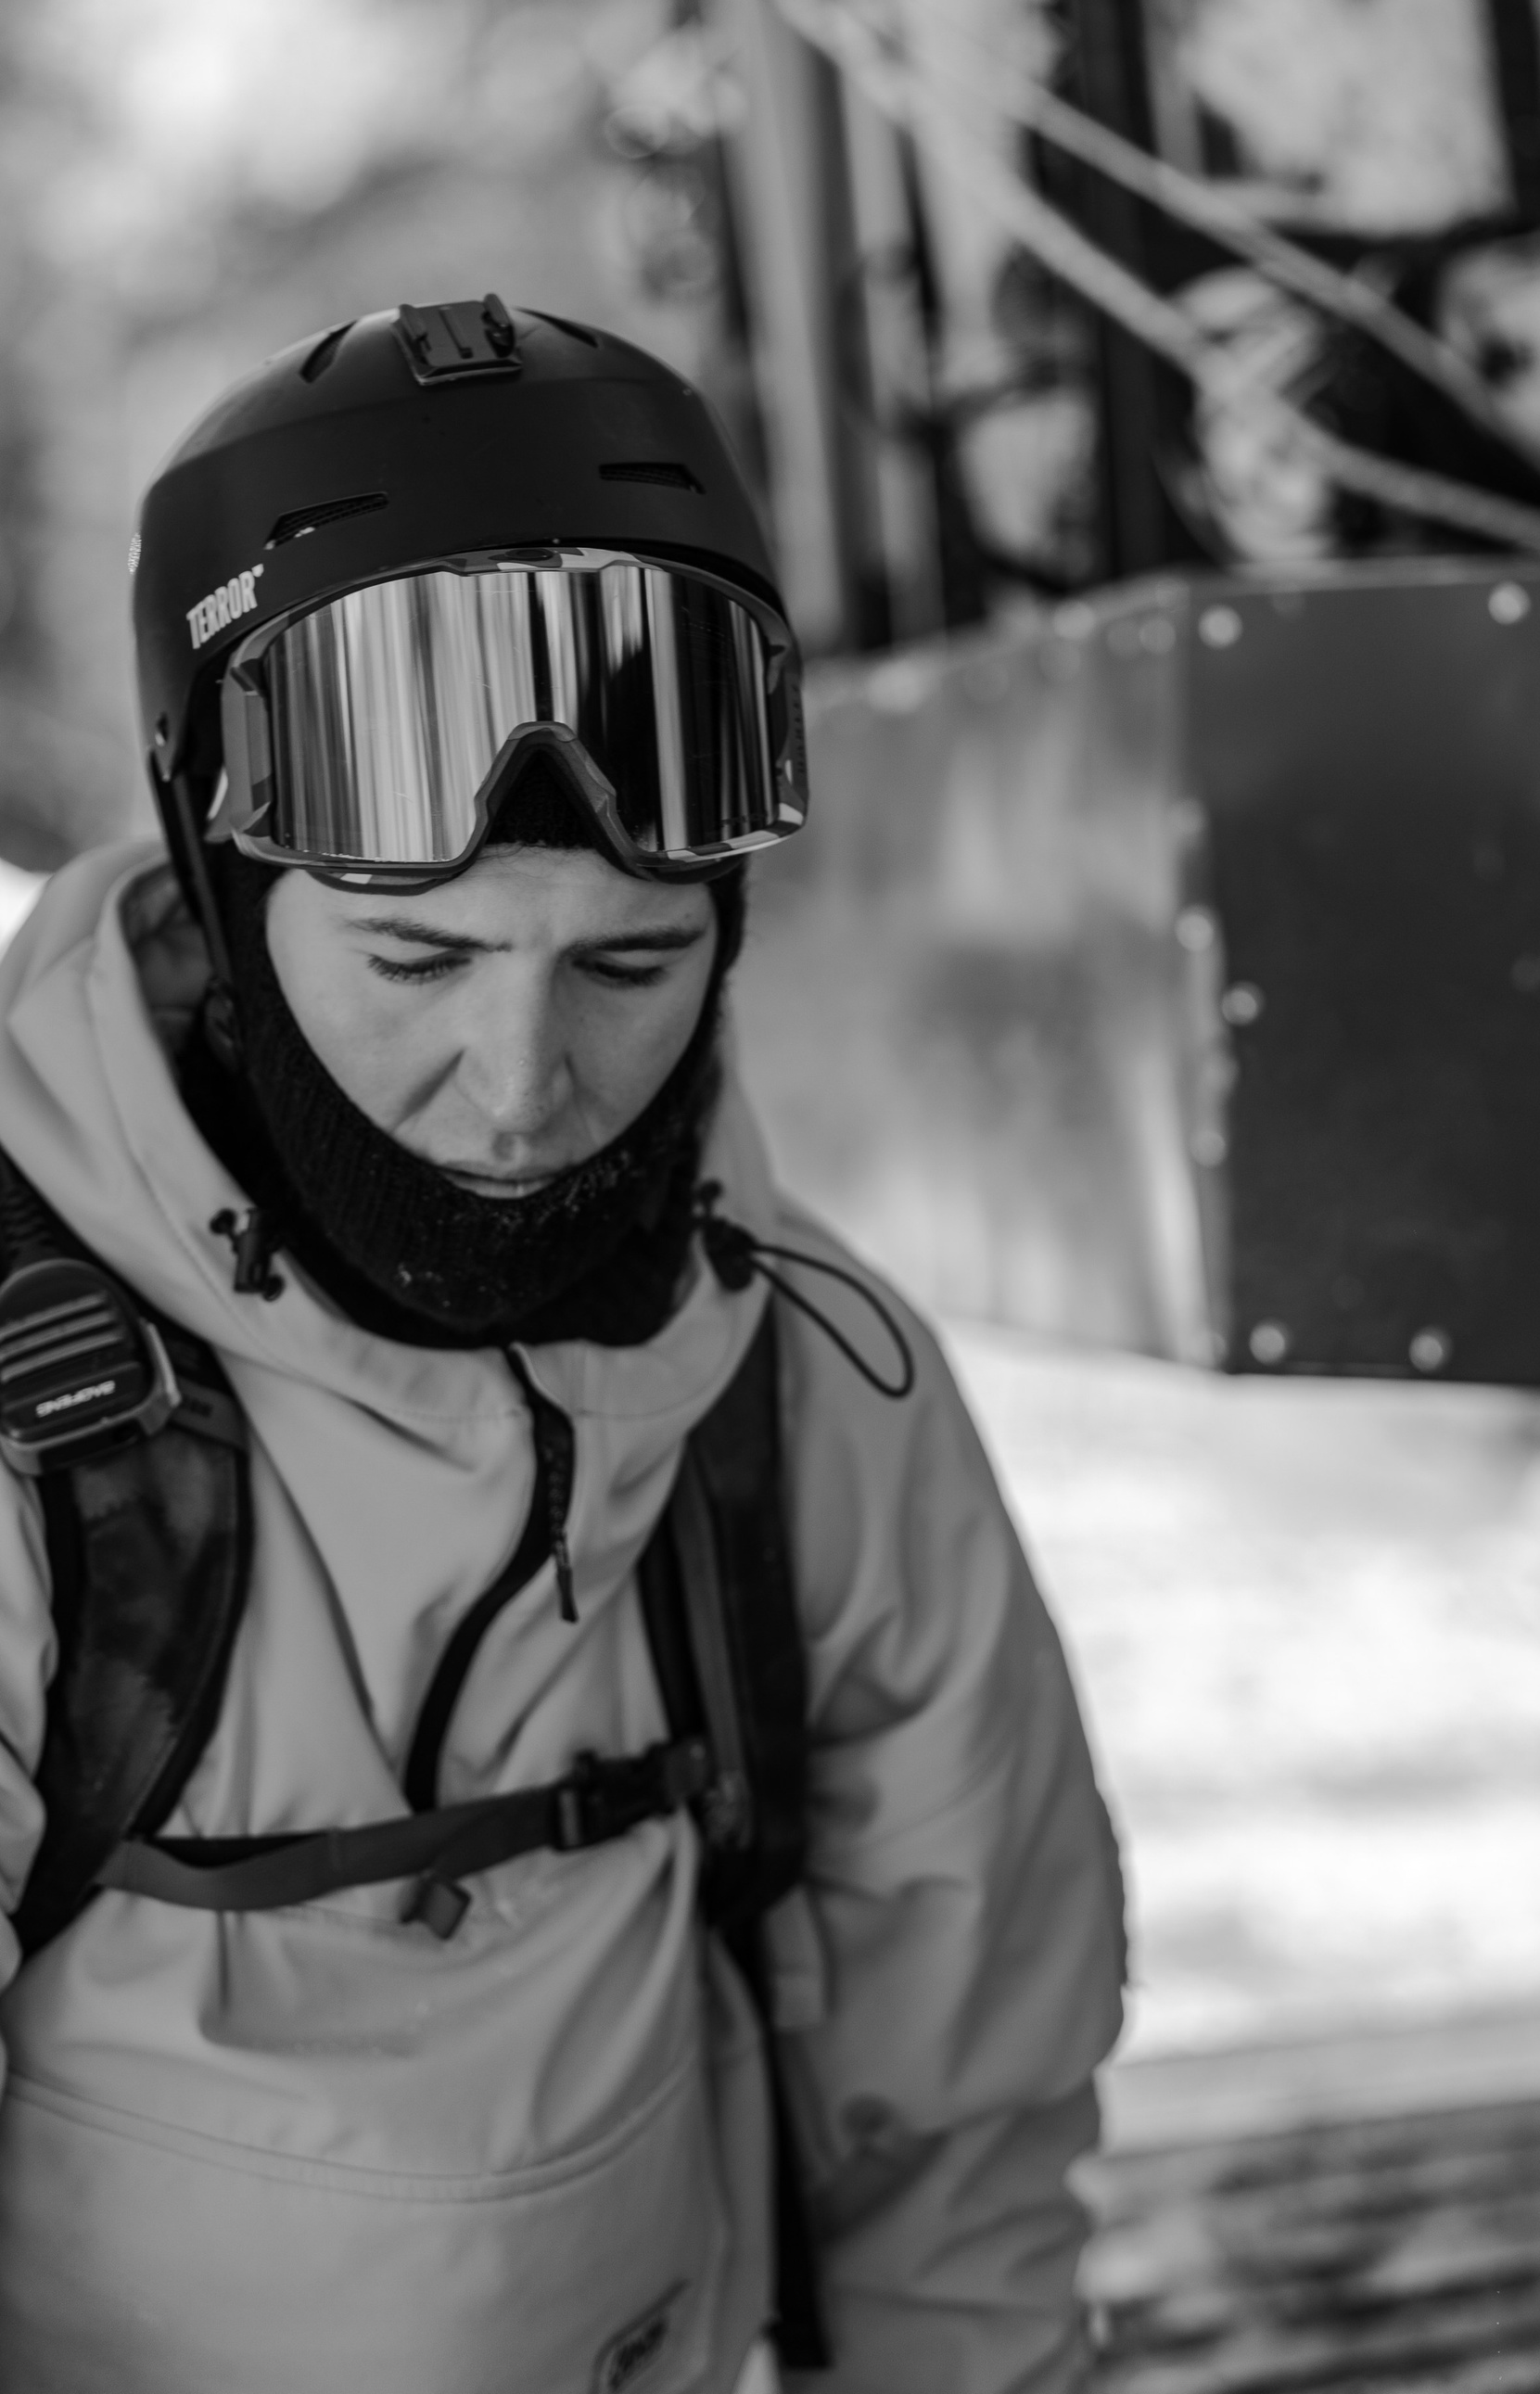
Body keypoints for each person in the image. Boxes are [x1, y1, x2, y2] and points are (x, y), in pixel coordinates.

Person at [0, 298, 1126, 2391]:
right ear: (224, 887)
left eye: (630, 962)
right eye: (419, 956)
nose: (523, 1091)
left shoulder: (798, 1370)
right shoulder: (28, 1400)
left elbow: (958, 2113)